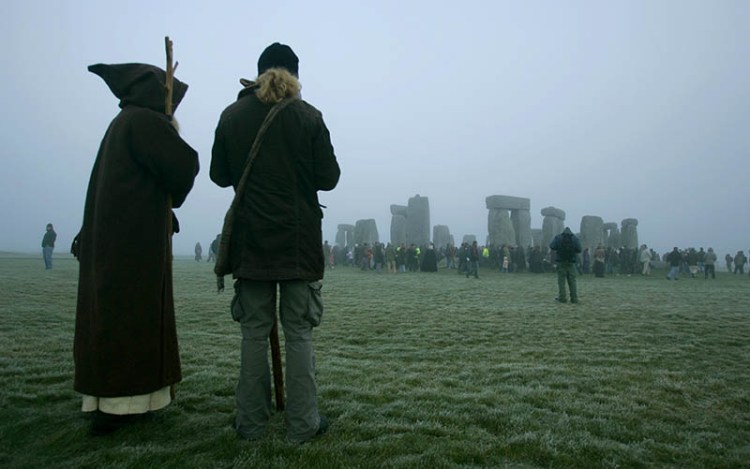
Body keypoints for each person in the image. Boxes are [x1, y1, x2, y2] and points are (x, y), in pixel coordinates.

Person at [210, 43, 340, 443]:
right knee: (298, 334)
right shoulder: (308, 117)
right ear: (295, 75)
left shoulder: (232, 116)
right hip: (299, 245)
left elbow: (218, 175)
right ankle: (303, 425)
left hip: (251, 243)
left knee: (253, 334)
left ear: (259, 72)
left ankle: (250, 424)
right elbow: (329, 178)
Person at [74, 63, 199, 435]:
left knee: (119, 317)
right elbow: (182, 167)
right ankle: (118, 407)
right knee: (130, 317)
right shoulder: (144, 123)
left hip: (121, 240)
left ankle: (125, 402)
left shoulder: (124, 123)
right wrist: (171, 132)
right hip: (132, 246)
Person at [549, 227, 582, 304]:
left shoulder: (558, 237)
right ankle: (574, 299)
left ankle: (562, 298)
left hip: (561, 262)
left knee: (561, 281)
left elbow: (552, 246)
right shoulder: (575, 238)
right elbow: (579, 249)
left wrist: (559, 248)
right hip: (571, 262)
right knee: (572, 281)